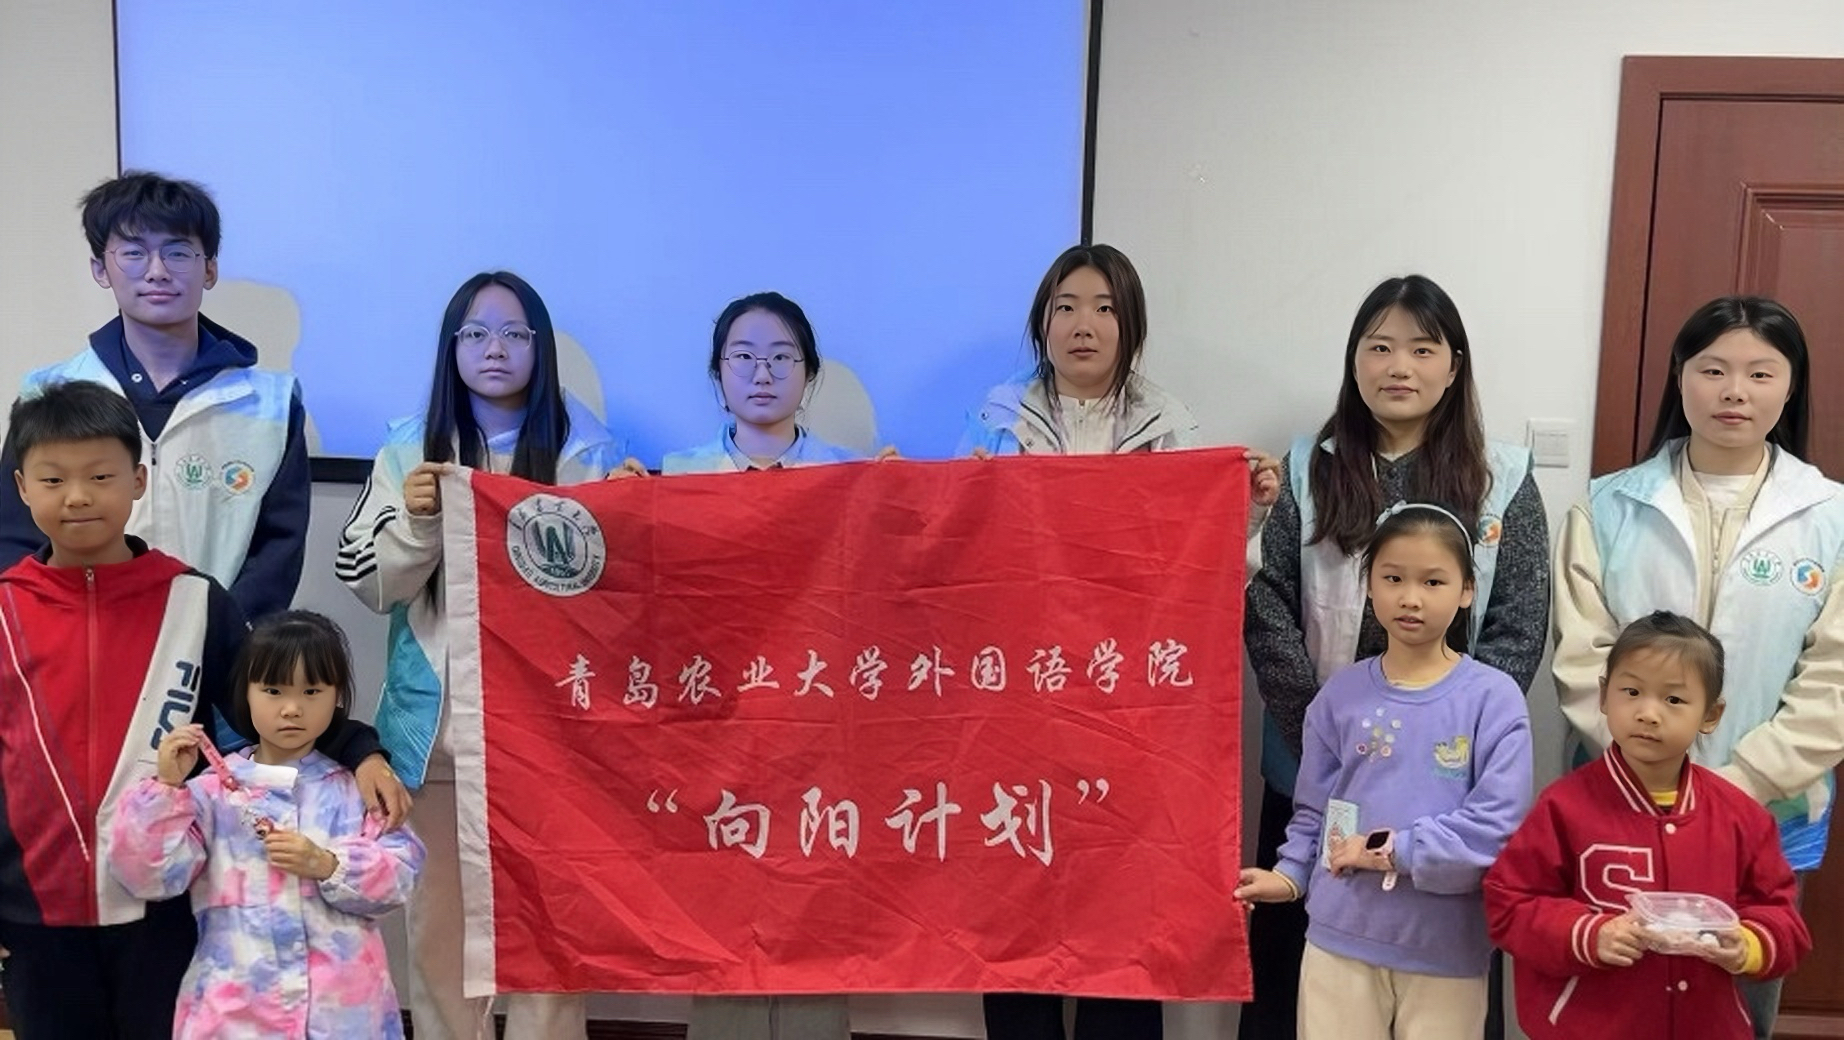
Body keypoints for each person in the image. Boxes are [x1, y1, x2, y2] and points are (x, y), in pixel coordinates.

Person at [0, 382, 394, 1039]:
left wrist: (361, 751)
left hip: (166, 904)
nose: (78, 496)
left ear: (139, 480)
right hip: (34, 911)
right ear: (21, 487)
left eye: (100, 476)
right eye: (53, 479)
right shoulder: (5, 606)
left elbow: (271, 703)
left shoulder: (193, 599)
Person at [964, 243, 1277, 1040]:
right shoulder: (994, 423)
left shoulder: (1169, 429)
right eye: (1066, 306)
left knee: (1129, 909)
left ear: (1130, 325)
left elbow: (1205, 583)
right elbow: (958, 566)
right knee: (1020, 898)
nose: (1084, 324)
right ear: (1042, 322)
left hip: (1131, 714)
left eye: (1105, 308)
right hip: (1022, 706)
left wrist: (1246, 510)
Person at [1241, 274, 1548, 1039]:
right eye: (1378, 348)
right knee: (1301, 983)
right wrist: (1324, 728)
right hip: (1319, 770)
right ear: (1355, 361)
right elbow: (1268, 600)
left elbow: (1518, 623)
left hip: (1448, 785)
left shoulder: (1502, 477)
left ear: (1454, 365)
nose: (1398, 366)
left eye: (1421, 348)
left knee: (1441, 997)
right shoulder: (1309, 467)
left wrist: (1459, 728)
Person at [335, 270, 622, 1040]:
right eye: (476, 333)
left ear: (540, 347)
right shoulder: (409, 448)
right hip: (440, 740)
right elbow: (371, 585)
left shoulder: (587, 449)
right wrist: (420, 524)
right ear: (451, 348)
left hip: (552, 738)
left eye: (514, 333)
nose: (495, 349)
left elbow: (610, 603)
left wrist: (630, 518)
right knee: (439, 940)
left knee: (550, 941)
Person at [1551, 296, 1844, 1039]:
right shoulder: (1606, 507)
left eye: (1760, 373)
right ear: (1680, 376)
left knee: (1737, 1004)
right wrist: (1650, 769)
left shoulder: (1832, 516)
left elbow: (1834, 677)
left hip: (1769, 809)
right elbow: (1584, 657)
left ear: (1792, 385)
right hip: (1622, 801)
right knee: (1612, 1002)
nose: (1734, 391)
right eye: (1712, 370)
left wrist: (1738, 786)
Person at [1235, 503, 1533, 1040]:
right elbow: (1316, 810)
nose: (1411, 598)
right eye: (1393, 578)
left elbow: (1495, 829)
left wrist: (1392, 850)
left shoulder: (1494, 698)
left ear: (1467, 590)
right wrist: (1290, 874)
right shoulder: (1340, 695)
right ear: (1369, 585)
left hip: (1445, 944)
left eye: (1433, 581)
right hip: (1339, 936)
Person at [0, 171, 312, 622]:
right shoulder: (50, 393)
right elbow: (15, 534)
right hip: (72, 638)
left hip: (215, 646)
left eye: (178, 252)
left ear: (209, 269)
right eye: (133, 252)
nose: (157, 271)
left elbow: (278, 549)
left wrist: (221, 634)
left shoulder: (271, 405)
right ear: (100, 268)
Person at [1486, 611, 1809, 1038]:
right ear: (1604, 697)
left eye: (1673, 700)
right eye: (1632, 692)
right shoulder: (1563, 807)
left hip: (1706, 1027)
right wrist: (1589, 934)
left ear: (1711, 714)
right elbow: (1509, 905)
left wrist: (1747, 944)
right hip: (1593, 1028)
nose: (1649, 713)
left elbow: (1784, 921)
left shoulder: (1741, 816)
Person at [109, 611, 426, 1038]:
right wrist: (165, 790)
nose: (292, 709)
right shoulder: (209, 793)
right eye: (273, 690)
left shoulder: (357, 789)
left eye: (312, 691)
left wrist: (328, 865)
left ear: (336, 696)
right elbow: (147, 875)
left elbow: (402, 874)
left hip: (342, 1016)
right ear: (246, 692)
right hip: (235, 1015)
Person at [661, 291, 861, 474]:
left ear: (809, 372)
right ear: (718, 373)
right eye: (744, 357)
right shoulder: (678, 473)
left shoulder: (852, 472)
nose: (762, 376)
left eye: (780, 357)